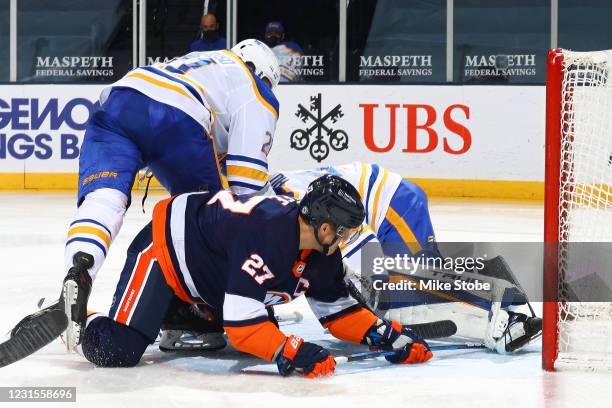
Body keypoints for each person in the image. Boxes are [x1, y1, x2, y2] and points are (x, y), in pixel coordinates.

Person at [75, 175, 433, 377]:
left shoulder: (321, 253)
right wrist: (288, 348)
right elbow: (242, 326)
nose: (347, 239)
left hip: (210, 275)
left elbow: (338, 312)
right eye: (345, 231)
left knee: (237, 340)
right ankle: (74, 318)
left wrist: (385, 335)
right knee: (118, 350)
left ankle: (179, 313)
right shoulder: (267, 234)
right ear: (325, 227)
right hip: (167, 250)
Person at [60, 39, 281, 351]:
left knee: (105, 198)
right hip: (177, 114)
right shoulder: (255, 87)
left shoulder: (206, 61)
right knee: (207, 223)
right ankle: (192, 311)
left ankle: (80, 269)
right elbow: (246, 186)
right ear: (264, 74)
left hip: (120, 97)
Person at [269, 162, 541, 354]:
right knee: (393, 297)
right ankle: (488, 280)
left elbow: (356, 237)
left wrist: (374, 284)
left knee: (400, 294)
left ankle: (505, 321)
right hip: (378, 209)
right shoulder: (265, 200)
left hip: (393, 205)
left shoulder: (288, 204)